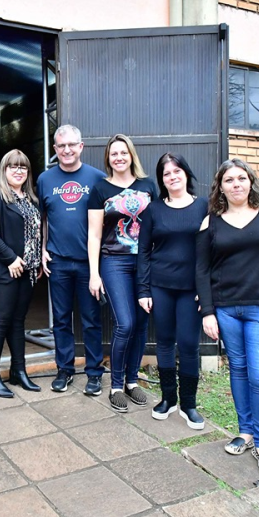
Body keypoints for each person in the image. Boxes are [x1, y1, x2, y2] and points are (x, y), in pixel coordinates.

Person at [195, 158, 259, 477]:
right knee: (238, 368)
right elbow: (201, 269)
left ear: (250, 181)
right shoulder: (211, 221)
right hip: (226, 308)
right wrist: (208, 311)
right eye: (229, 180)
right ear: (220, 187)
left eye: (241, 178)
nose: (236, 184)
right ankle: (246, 432)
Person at [88, 134, 158, 413]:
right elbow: (94, 235)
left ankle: (132, 382)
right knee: (125, 324)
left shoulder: (148, 186)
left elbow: (159, 225)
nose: (119, 157)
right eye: (114, 153)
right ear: (108, 158)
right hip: (114, 262)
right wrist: (94, 273)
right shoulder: (100, 189)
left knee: (141, 324)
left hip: (145, 263)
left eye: (123, 152)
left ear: (131, 155)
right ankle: (116, 386)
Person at [137, 153, 207, 429]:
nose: (172, 176)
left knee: (189, 344)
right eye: (166, 173)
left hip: (192, 289)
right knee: (164, 342)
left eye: (177, 171)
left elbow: (213, 249)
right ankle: (168, 399)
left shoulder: (204, 207)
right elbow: (143, 251)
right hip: (161, 286)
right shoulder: (153, 210)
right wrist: (143, 290)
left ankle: (189, 404)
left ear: (186, 173)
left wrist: (207, 289)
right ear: (161, 180)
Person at [37, 125, 106, 395]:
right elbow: (43, 219)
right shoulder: (45, 179)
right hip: (59, 262)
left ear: (81, 146)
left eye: (71, 145)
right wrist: (43, 248)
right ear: (55, 149)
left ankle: (94, 373)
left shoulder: (97, 178)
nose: (66, 150)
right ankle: (64, 370)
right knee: (62, 320)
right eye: (61, 146)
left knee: (91, 320)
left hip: (89, 263)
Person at [0, 150, 42, 398]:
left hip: (27, 271)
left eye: (23, 167)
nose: (18, 171)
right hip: (1, 270)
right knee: (1, 321)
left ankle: (18, 371)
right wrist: (11, 258)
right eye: (13, 166)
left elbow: (36, 233)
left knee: (18, 322)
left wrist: (36, 261)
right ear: (4, 170)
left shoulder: (32, 198)